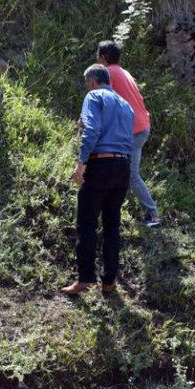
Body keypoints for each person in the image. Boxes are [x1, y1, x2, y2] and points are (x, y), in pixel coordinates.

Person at [61, 64, 134, 295]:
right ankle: (109, 281)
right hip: (123, 166)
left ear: (92, 81)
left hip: (100, 164)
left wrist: (82, 163)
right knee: (112, 225)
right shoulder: (126, 105)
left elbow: (92, 130)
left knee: (87, 222)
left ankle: (84, 278)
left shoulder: (93, 96)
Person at [96, 40, 160, 227]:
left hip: (132, 131)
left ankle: (153, 214)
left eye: (98, 55)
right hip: (140, 127)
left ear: (103, 57)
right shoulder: (124, 72)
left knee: (130, 174)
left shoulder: (107, 73)